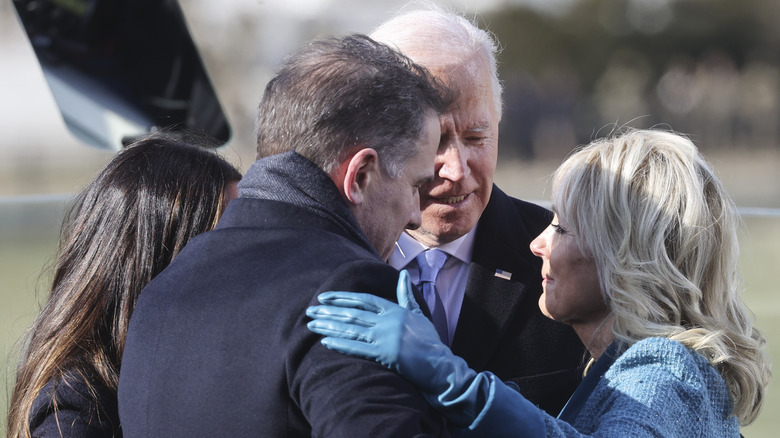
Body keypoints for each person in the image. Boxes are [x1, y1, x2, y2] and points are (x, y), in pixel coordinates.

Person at [307, 128, 771, 437]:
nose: (537, 244)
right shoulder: (622, 366)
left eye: (562, 228)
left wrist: (455, 382)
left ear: (625, 257)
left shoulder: (666, 370)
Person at [117, 34, 453, 437]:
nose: (417, 215)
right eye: (416, 185)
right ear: (360, 176)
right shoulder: (349, 293)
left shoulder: (164, 288)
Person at [368, 5, 586, 415]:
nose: (457, 170)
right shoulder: (324, 259)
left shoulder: (569, 262)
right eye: (432, 142)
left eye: (476, 137)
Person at [6, 134, 242, 438]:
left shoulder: (174, 375)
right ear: (165, 255)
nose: (247, 259)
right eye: (230, 240)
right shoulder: (75, 409)